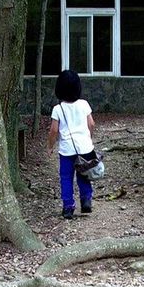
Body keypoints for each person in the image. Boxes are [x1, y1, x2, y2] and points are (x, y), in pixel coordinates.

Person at [47, 70, 98, 219]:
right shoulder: (84, 104)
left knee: (66, 177)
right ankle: (86, 200)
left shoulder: (58, 109)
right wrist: (89, 137)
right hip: (85, 147)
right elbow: (91, 124)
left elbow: (54, 130)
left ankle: (68, 207)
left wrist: (50, 146)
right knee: (84, 174)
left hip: (67, 150)